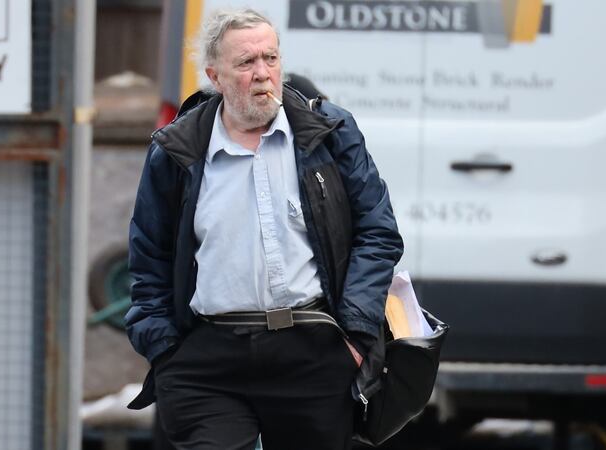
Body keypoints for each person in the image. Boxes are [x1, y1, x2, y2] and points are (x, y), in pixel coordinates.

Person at [124, 8, 403, 450]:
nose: (262, 74)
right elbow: (148, 257)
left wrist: (355, 335)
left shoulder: (329, 133)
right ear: (215, 76)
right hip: (209, 357)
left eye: (270, 59)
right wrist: (166, 351)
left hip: (312, 352)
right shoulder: (177, 151)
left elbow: (378, 232)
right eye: (246, 63)